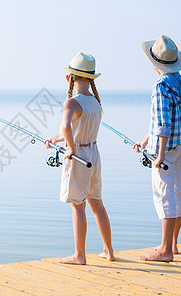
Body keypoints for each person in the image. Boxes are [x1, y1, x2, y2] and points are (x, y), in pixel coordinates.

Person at [45, 52, 114, 265]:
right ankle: (108, 251)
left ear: (70, 78)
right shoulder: (95, 102)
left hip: (79, 157)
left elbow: (67, 126)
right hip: (93, 153)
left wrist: (71, 149)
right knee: (97, 203)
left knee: (77, 205)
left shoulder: (72, 103)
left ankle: (79, 255)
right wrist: (59, 140)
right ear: (91, 79)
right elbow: (77, 129)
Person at [134, 35, 181, 262]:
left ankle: (165, 251)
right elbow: (167, 119)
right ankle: (172, 244)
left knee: (164, 195)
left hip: (166, 148)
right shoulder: (179, 82)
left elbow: (163, 123)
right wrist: (146, 139)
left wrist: (159, 154)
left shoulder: (160, 85)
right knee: (177, 192)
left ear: (154, 63)